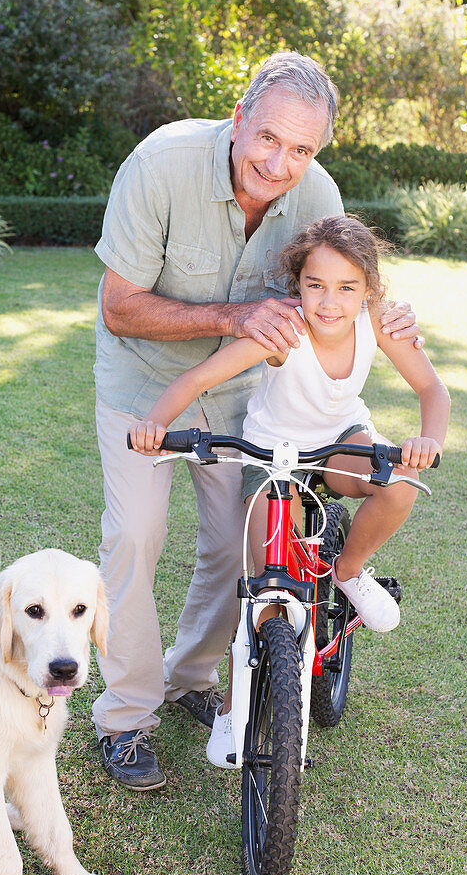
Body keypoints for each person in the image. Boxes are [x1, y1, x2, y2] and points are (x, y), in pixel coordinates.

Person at [93, 51, 422, 790]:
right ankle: (124, 719)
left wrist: (388, 313)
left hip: (246, 401)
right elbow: (120, 305)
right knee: (135, 539)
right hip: (145, 387)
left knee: (232, 552)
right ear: (238, 118)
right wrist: (231, 314)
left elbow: (346, 285)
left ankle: (189, 679)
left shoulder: (318, 193)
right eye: (268, 138)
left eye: (301, 149)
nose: (279, 164)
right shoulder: (160, 164)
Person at [128, 214, 450, 768]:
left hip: (340, 443)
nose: (330, 302)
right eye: (315, 285)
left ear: (369, 289)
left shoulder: (378, 323)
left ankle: (347, 573)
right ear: (296, 286)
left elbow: (431, 387)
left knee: (398, 486)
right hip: (273, 457)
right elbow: (196, 379)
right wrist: (154, 425)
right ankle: (233, 708)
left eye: (348, 287)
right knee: (262, 590)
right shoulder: (286, 331)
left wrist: (429, 439)